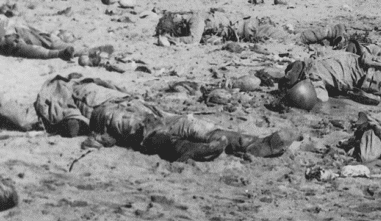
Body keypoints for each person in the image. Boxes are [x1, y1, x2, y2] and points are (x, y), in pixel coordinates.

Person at [28, 74, 296, 162]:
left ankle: (249, 143)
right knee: (146, 130)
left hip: (136, 104)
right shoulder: (57, 87)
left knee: (186, 121)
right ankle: (190, 150)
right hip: (106, 114)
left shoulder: (87, 79)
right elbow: (69, 121)